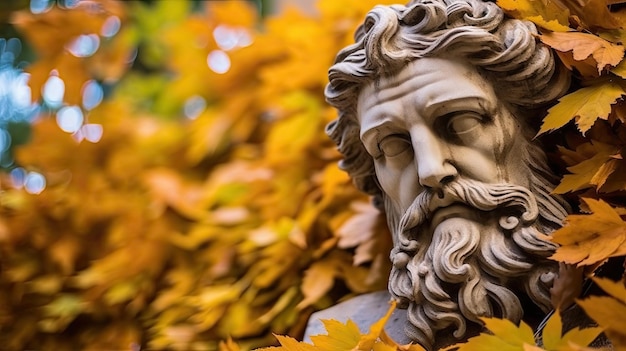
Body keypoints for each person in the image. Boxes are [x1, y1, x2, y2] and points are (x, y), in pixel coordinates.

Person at [323, 0, 573, 349]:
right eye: (393, 146)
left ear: (534, 127)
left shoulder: (614, 306)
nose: (430, 170)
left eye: (461, 122)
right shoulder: (338, 336)